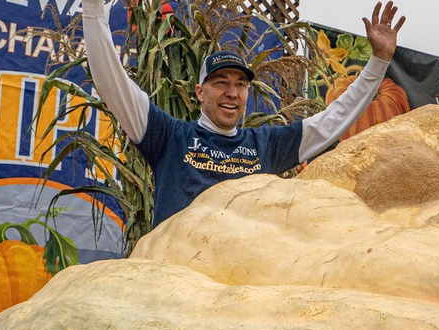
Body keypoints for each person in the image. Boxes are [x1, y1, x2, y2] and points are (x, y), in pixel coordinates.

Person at [81, 0, 406, 226]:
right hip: (174, 287)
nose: (231, 93)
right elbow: (113, 84)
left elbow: (335, 119)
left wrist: (378, 62)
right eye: (220, 82)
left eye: (240, 85)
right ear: (199, 93)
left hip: (238, 297)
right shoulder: (169, 137)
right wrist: (94, 9)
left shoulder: (267, 144)